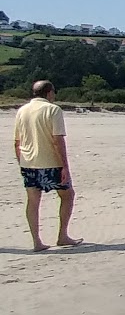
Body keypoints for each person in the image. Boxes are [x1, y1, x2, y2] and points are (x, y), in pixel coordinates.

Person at [14, 80, 82, 251]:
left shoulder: (22, 111)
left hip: (28, 162)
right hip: (51, 162)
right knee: (67, 195)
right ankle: (62, 236)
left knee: (33, 201)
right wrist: (65, 166)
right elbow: (57, 139)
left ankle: (37, 241)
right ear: (49, 92)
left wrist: (21, 163)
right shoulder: (53, 110)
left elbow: (17, 142)